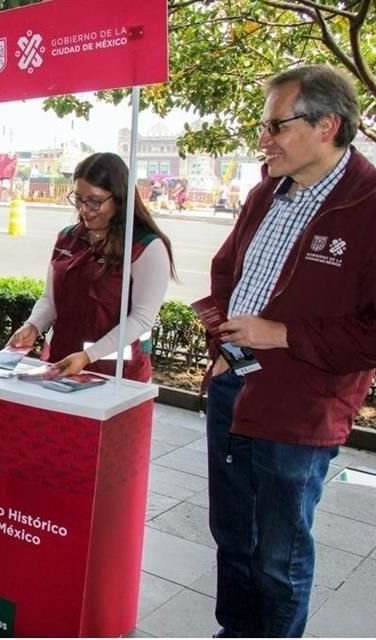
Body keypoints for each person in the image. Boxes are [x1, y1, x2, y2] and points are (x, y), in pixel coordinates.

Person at [204, 65, 376, 638]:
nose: (263, 139)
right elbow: (226, 272)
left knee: (278, 556)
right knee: (231, 536)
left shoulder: (368, 205)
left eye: (276, 125)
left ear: (327, 125)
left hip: (301, 408)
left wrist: (282, 335)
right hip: (235, 384)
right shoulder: (266, 191)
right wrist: (220, 341)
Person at [6, 152, 175, 382]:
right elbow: (51, 298)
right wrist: (33, 326)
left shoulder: (146, 246)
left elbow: (142, 319)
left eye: (95, 201)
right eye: (78, 199)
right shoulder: (68, 238)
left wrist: (88, 356)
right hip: (60, 361)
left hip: (117, 374)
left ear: (119, 198)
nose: (84, 209)